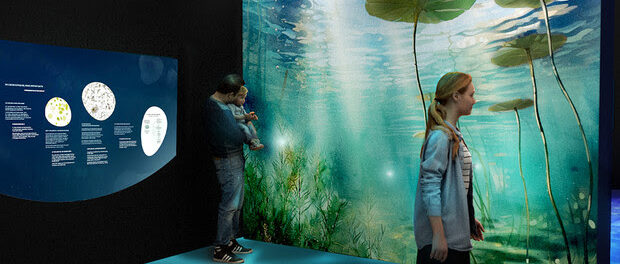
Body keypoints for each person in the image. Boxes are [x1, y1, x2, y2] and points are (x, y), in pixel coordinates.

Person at [414, 72, 484, 264]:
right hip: (442, 244)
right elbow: (430, 187)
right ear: (456, 96)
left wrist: (467, 219)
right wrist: (438, 235)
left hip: (453, 238)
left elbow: (458, 188)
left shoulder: (454, 136)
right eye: (471, 94)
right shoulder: (441, 137)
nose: (474, 100)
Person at [204, 74, 254, 263]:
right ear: (230, 93)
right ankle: (220, 247)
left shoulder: (223, 106)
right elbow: (230, 133)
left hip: (234, 157)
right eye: (237, 95)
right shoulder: (213, 107)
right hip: (226, 159)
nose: (239, 99)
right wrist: (246, 133)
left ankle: (231, 241)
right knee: (229, 205)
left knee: (237, 203)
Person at [227, 86, 264, 151]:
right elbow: (233, 116)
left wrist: (251, 117)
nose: (243, 100)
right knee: (245, 128)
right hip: (237, 123)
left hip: (243, 121)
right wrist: (244, 117)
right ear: (233, 97)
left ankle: (256, 141)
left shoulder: (241, 107)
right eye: (241, 98)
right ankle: (251, 143)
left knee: (251, 125)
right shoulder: (231, 106)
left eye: (244, 98)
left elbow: (245, 114)